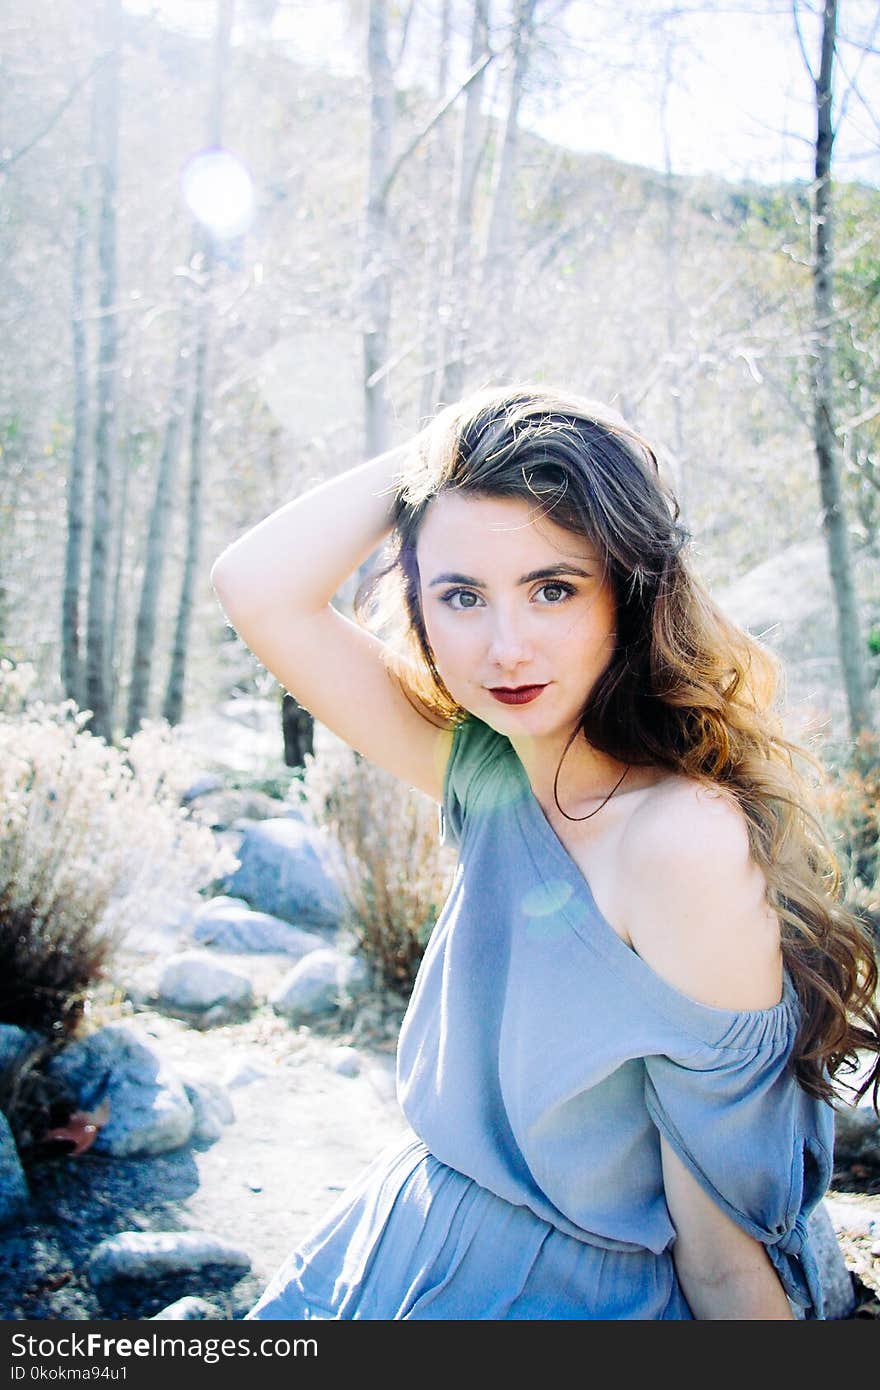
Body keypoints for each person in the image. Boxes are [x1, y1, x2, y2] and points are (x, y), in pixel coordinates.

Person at [210, 384, 880, 1320]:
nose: (506, 646)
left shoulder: (679, 841)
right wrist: (449, 446)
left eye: (553, 587)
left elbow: (725, 1261)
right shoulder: (493, 766)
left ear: (632, 592)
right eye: (461, 595)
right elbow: (257, 586)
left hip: (571, 1297)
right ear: (422, 607)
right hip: (404, 1247)